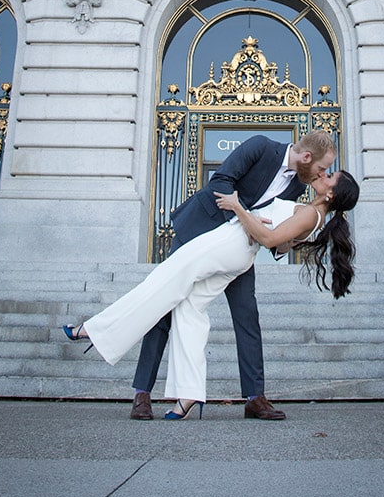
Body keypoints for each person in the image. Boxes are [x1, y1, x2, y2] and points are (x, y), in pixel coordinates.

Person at [62, 168, 359, 419]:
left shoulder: (311, 215)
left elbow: (268, 238)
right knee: (189, 307)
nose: (323, 174)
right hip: (237, 252)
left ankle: (96, 330)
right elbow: (278, 243)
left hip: (231, 244)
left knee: (164, 280)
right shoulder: (312, 215)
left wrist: (236, 206)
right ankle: (189, 394)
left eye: (330, 176)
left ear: (331, 194)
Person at [126, 130, 337, 421]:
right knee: (163, 305)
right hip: (198, 233)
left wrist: (283, 241)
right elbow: (221, 181)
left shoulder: (297, 187)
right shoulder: (261, 147)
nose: (321, 174)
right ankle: (142, 394)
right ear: (306, 157)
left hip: (238, 251)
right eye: (322, 168)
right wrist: (241, 219)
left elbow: (275, 222)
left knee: (247, 315)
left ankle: (255, 398)